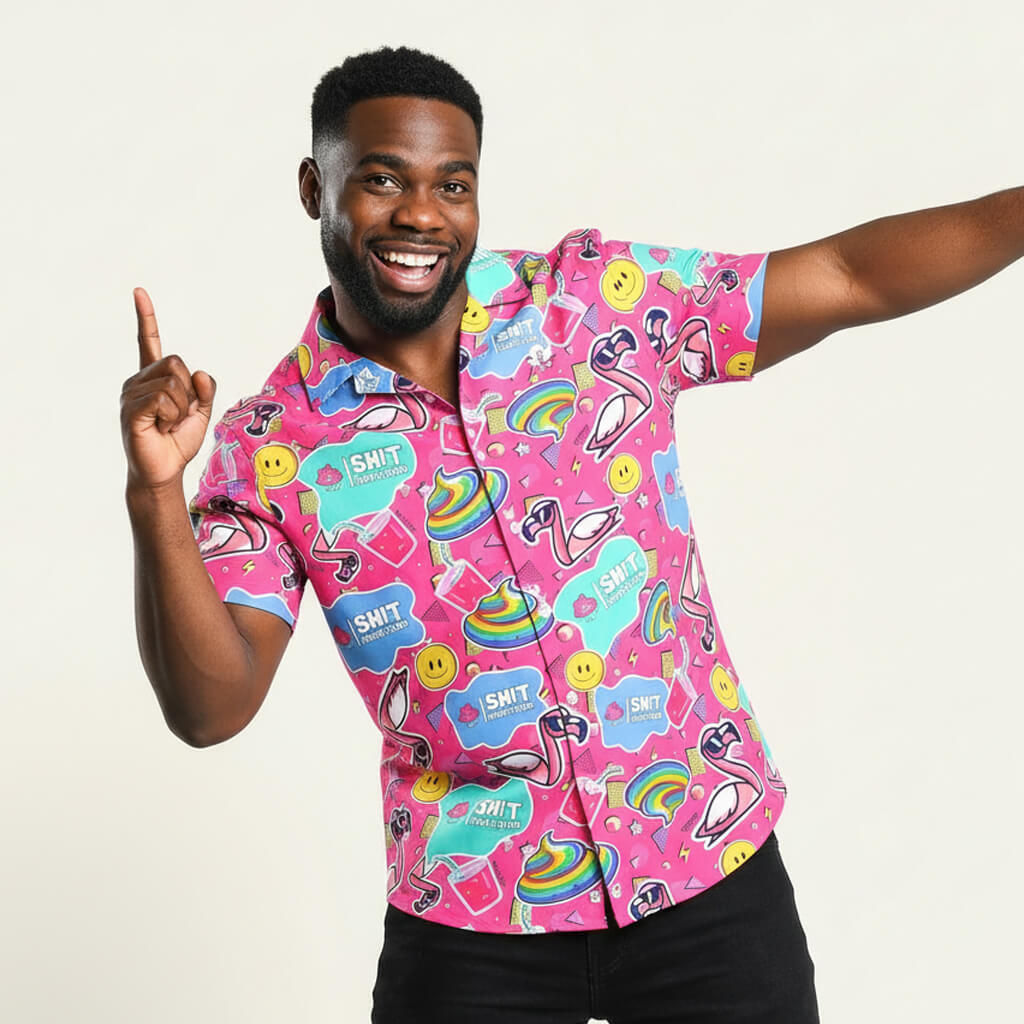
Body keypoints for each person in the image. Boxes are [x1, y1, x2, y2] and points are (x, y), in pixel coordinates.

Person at [120, 45, 1023, 1024]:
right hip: (472, 926)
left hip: (703, 876)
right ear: (315, 187)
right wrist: (154, 493)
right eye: (381, 179)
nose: (421, 214)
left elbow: (847, 275)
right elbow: (209, 708)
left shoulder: (597, 306)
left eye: (452, 185)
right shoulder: (273, 442)